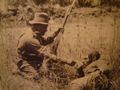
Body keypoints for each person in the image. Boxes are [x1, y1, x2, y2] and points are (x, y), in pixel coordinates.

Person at [16, 12, 75, 80]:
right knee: (36, 77)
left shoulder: (36, 34)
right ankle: (18, 73)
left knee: (47, 74)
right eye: (45, 27)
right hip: (24, 61)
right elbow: (47, 55)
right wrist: (68, 61)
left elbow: (45, 41)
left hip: (34, 59)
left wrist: (57, 32)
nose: (46, 29)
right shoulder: (29, 39)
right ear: (38, 26)